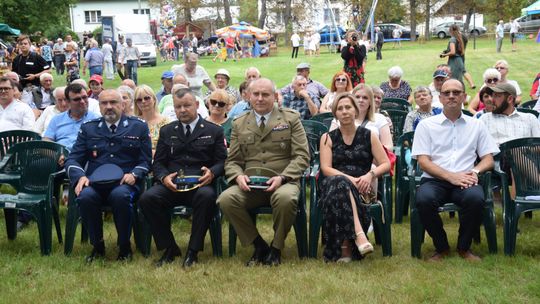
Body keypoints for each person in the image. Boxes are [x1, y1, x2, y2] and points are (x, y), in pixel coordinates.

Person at [217, 78, 310, 266]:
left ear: (275, 97)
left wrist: (283, 177)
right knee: (226, 199)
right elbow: (233, 160)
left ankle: (275, 248)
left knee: (286, 199)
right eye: (256, 94)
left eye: (265, 94)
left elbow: (302, 156)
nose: (260, 98)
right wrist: (237, 176)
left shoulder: (290, 119)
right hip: (251, 185)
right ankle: (259, 245)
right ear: (248, 96)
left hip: (283, 182)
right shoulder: (239, 123)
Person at [411, 79, 499, 262]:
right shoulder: (426, 125)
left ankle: (463, 247)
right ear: (440, 98)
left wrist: (474, 172)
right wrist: (451, 177)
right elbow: (423, 162)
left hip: (466, 178)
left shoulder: (477, 124)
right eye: (447, 93)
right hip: (434, 179)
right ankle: (441, 247)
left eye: (456, 92)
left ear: (464, 97)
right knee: (423, 200)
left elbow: (488, 160)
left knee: (476, 199)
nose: (451, 96)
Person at [138, 87, 227, 267]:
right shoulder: (167, 131)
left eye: (187, 105)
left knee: (207, 197)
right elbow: (158, 162)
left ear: (196, 105)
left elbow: (222, 161)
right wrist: (163, 178)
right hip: (173, 183)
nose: (182, 110)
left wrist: (212, 173)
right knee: (148, 198)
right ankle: (169, 247)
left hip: (200, 184)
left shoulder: (214, 130)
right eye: (178, 107)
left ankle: (193, 251)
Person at [65, 89, 152, 263]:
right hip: (95, 182)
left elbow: (146, 161)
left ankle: (124, 246)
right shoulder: (88, 128)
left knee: (120, 196)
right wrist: (80, 176)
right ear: (99, 106)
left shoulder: (139, 126)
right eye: (104, 103)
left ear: (123, 104)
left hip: (125, 183)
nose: (109, 107)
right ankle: (97, 246)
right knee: (86, 197)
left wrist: (135, 174)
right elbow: (73, 158)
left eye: (113, 102)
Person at [319, 93, 390, 262]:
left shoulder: (369, 135)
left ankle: (345, 250)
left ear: (356, 110)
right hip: (333, 185)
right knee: (339, 183)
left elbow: (385, 163)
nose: (344, 112)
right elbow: (326, 168)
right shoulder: (327, 138)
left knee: (341, 187)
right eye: (340, 108)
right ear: (335, 113)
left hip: (363, 187)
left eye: (348, 107)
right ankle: (359, 236)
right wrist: (351, 179)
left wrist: (369, 175)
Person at [43, 83, 100, 150]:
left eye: (84, 97)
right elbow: (47, 140)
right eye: (77, 99)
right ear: (68, 102)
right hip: (60, 156)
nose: (82, 101)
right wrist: (55, 154)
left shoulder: (97, 120)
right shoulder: (57, 119)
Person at [133, 84, 169, 151]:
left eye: (147, 98)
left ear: (154, 99)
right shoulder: (133, 123)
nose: (143, 101)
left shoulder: (166, 123)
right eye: (139, 100)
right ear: (136, 103)